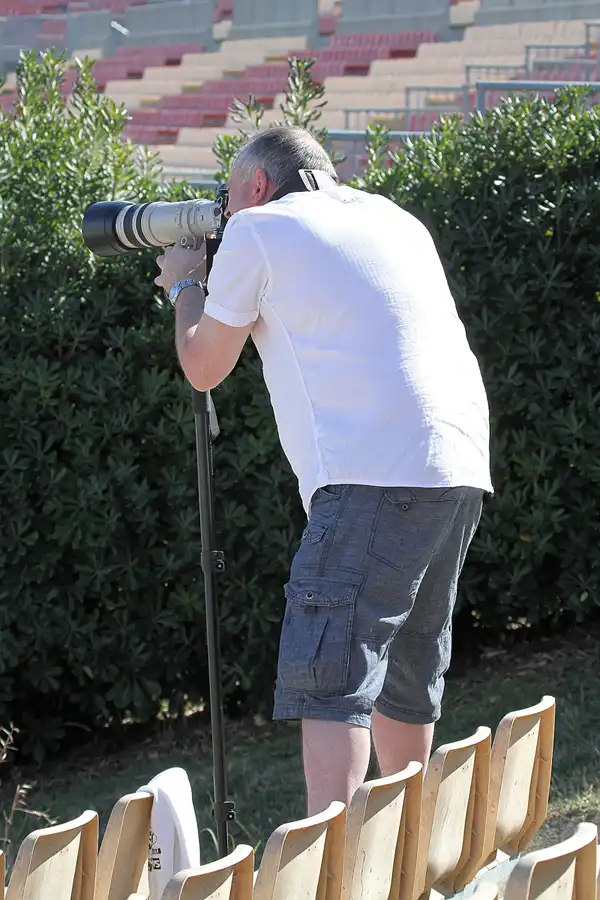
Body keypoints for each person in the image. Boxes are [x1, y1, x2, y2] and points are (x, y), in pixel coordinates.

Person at [155, 124, 493, 816]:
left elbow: (203, 365)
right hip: (457, 465)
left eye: (228, 199)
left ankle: (332, 857)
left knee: (331, 676)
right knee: (405, 669)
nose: (225, 215)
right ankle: (402, 851)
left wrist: (186, 282)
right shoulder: (394, 218)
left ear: (257, 184)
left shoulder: (260, 229)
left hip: (369, 473)